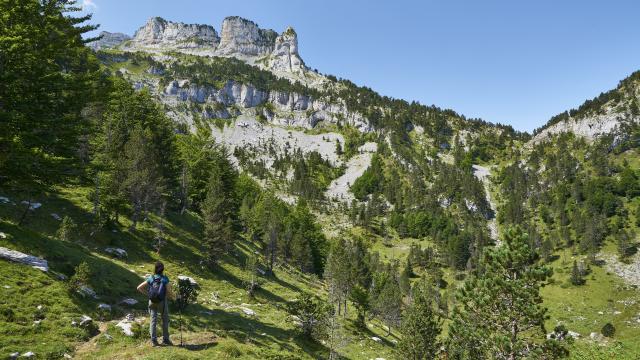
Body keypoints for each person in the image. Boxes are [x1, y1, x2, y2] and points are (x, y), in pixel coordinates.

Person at [137, 261, 174, 346]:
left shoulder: (151, 278)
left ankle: (154, 341)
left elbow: (139, 288)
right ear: (163, 269)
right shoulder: (165, 279)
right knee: (165, 320)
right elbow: (169, 291)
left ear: (155, 269)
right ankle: (166, 340)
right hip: (162, 302)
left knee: (153, 320)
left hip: (152, 301)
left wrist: (148, 294)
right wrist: (173, 297)